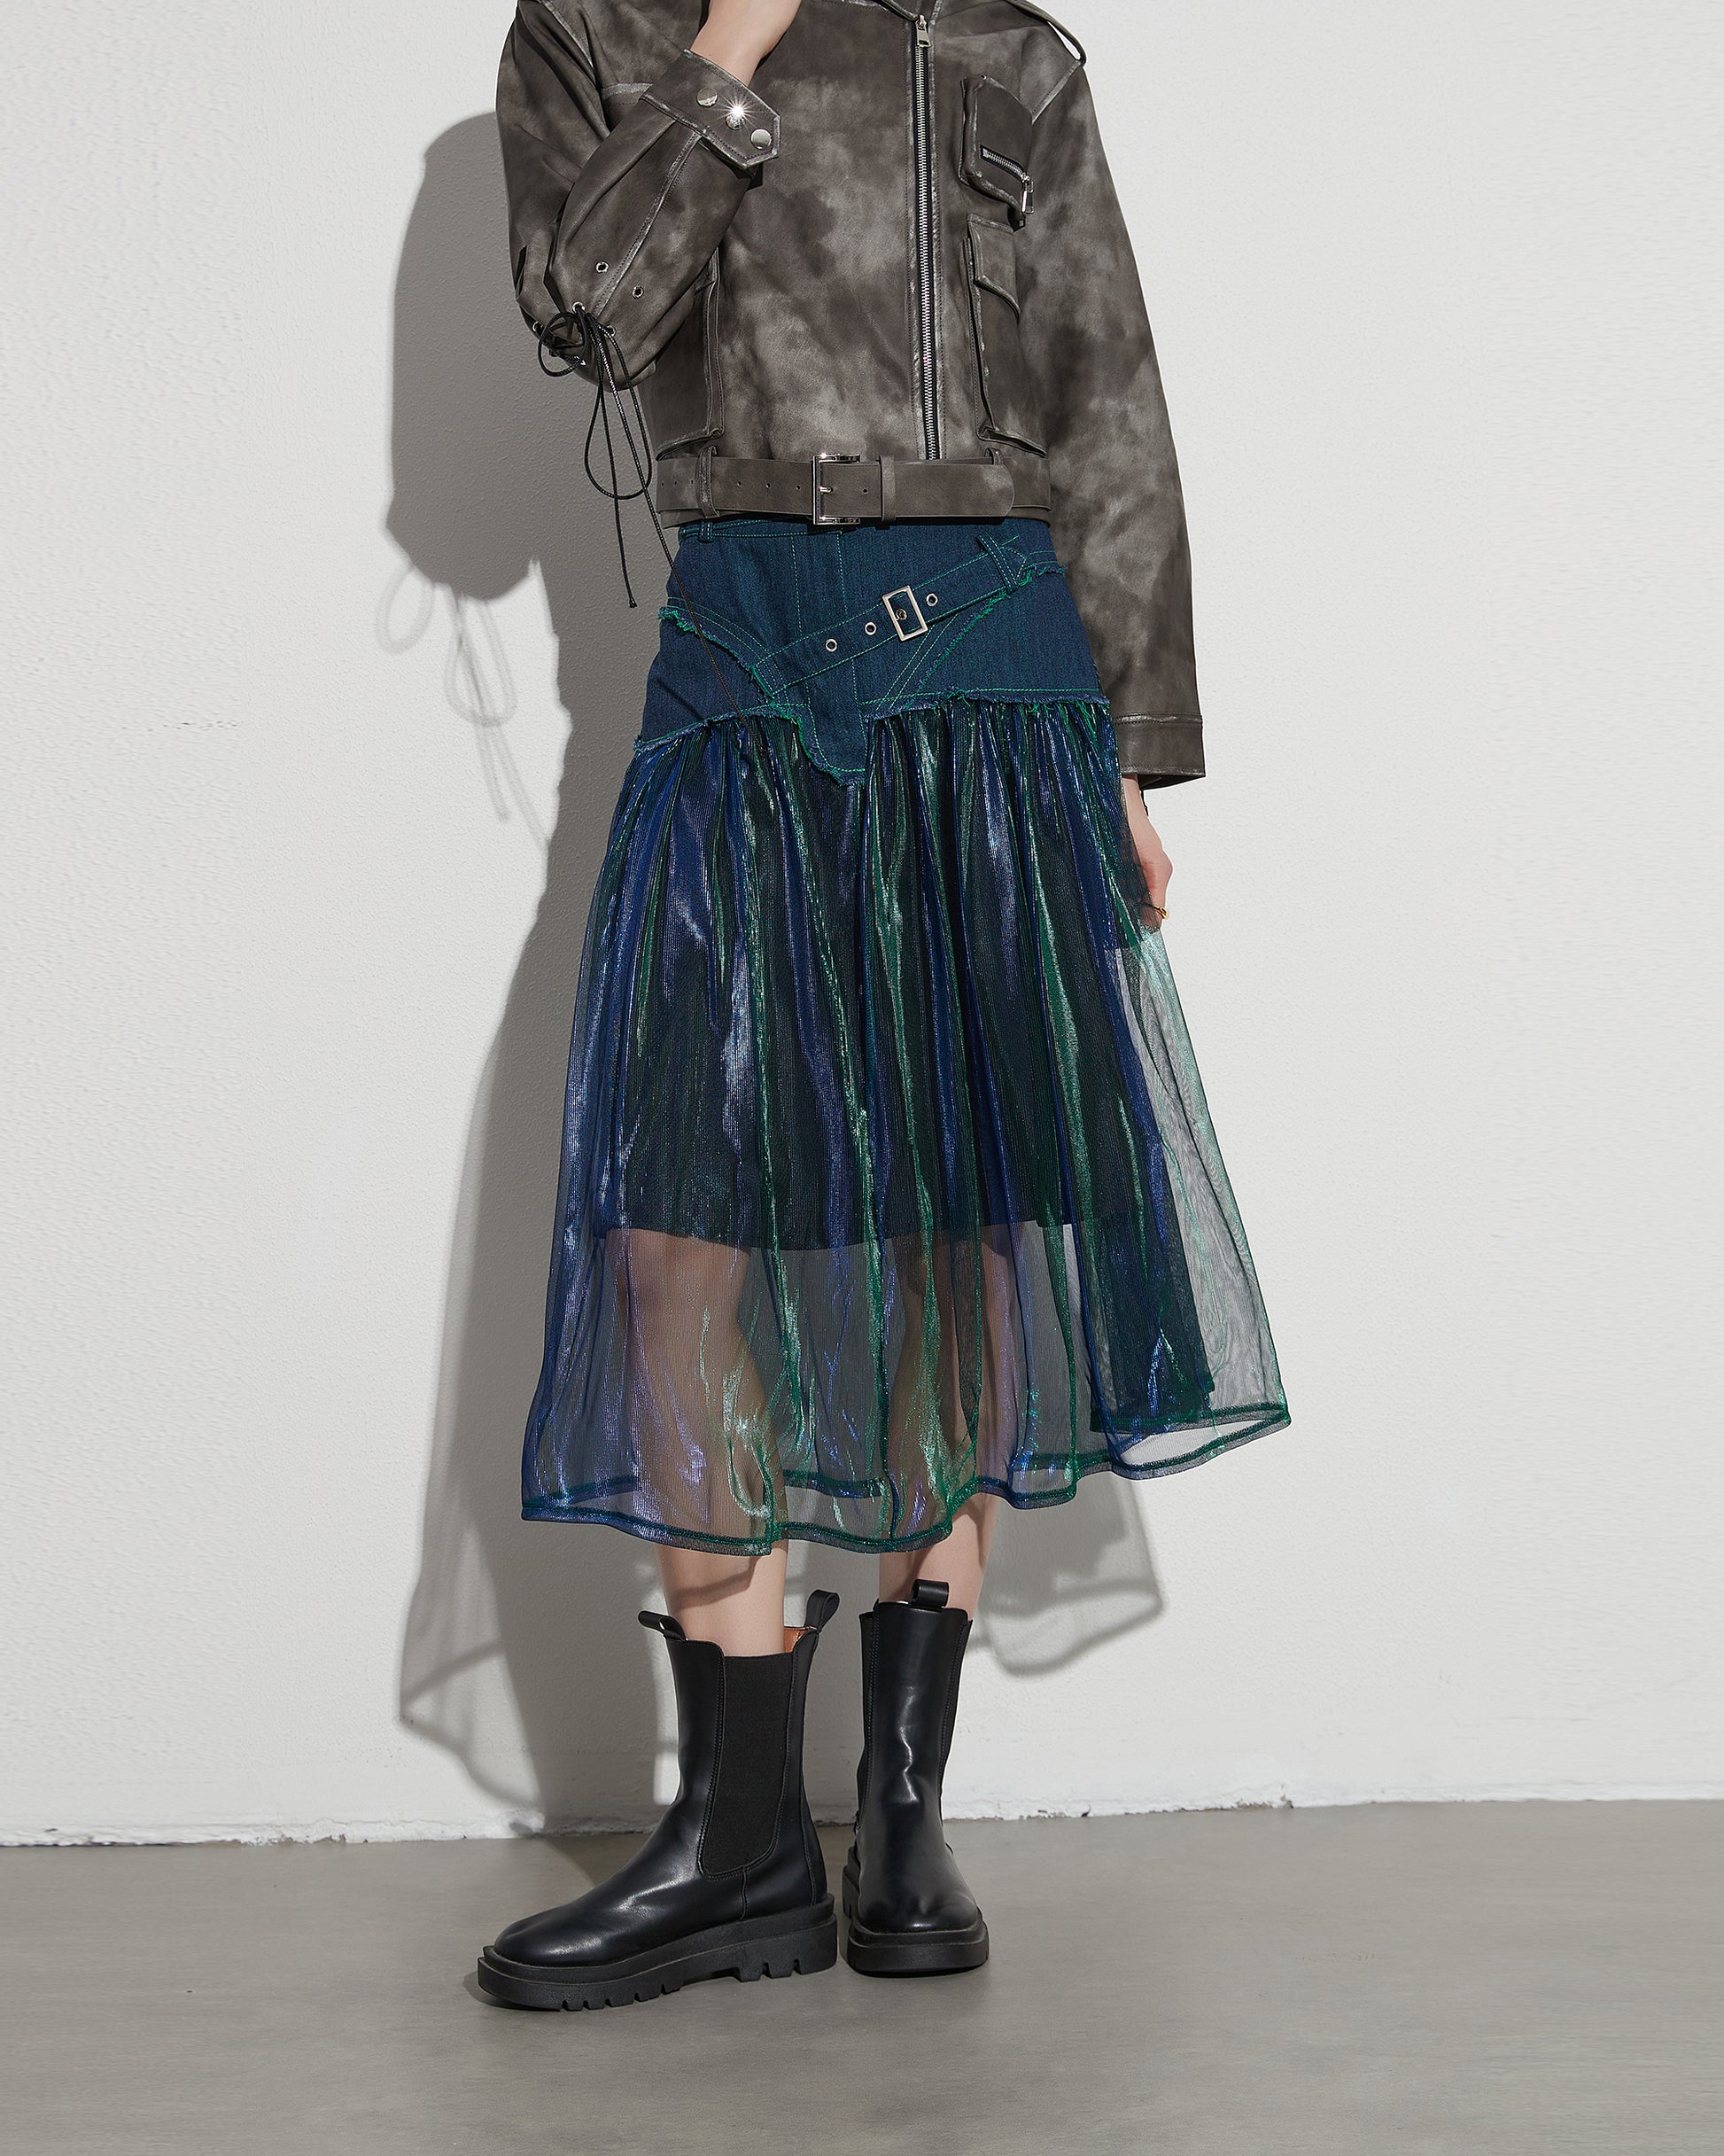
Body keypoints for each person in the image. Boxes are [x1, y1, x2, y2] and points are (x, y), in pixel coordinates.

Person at [476, 0, 1287, 2011]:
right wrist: (732, 44)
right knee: (680, 1228)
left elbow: (1107, 400)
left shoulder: (1007, 50)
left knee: (958, 1217)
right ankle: (739, 1834)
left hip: (990, 667)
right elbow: (591, 310)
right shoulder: (592, 26)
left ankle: (902, 1818)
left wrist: (1131, 755)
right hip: (742, 648)